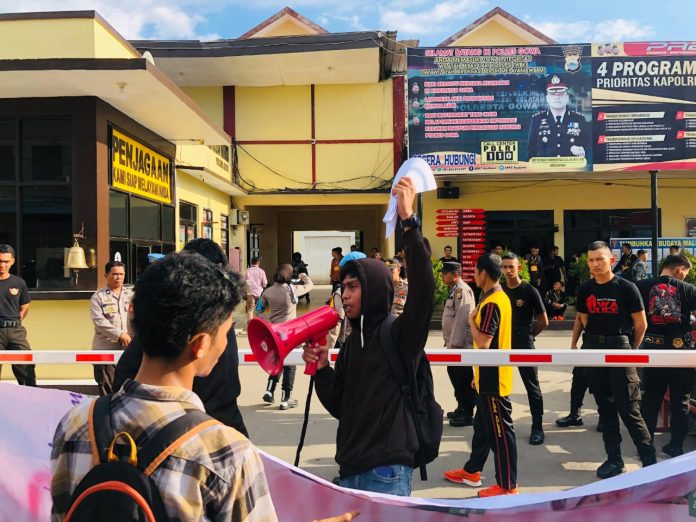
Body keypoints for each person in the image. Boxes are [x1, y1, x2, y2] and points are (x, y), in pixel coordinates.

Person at [51, 252, 278, 520]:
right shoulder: (225, 451)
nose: (227, 343)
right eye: (227, 331)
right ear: (201, 344)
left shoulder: (75, 423)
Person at [302, 176, 434, 496]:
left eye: (352, 287)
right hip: (350, 470)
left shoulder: (400, 334)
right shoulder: (351, 342)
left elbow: (425, 288)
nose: (344, 296)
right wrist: (322, 371)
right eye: (343, 288)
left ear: (373, 289)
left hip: (386, 471)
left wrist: (409, 222)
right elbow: (341, 406)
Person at [113, 239, 248, 436]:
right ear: (201, 343)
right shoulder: (227, 451)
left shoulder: (82, 423)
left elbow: (123, 377)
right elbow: (222, 401)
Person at [576, 241, 655, 479]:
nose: (595, 264)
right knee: (605, 408)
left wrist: (631, 349)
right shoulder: (586, 289)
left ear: (611, 260)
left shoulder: (626, 287)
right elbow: (583, 318)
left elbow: (641, 324)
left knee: (629, 409)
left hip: (620, 346)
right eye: (591, 260)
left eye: (600, 259)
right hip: (593, 347)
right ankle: (614, 459)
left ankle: (650, 463)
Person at [444, 253, 518, 497]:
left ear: (484, 273)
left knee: (500, 433)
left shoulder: (493, 302)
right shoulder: (494, 297)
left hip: (493, 378)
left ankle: (508, 486)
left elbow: (484, 342)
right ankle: (472, 471)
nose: (473, 275)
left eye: (475, 271)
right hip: (485, 375)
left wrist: (470, 321)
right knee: (482, 428)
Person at [638, 253, 696, 458]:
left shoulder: (642, 286)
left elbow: (636, 320)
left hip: (653, 350)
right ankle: (676, 446)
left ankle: (646, 445)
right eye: (685, 273)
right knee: (681, 401)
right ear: (679, 268)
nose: (685, 278)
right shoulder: (689, 290)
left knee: (651, 398)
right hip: (682, 352)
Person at [501, 253, 549, 444]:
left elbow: (543, 321)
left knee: (532, 386)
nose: (507, 271)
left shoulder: (529, 291)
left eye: (511, 267)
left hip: (523, 340)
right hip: (502, 340)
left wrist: (528, 336)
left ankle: (537, 427)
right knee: (499, 385)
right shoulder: (499, 290)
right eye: (504, 267)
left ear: (518, 268)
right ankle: (502, 426)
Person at [259, 264, 313, 410]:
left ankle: (269, 390)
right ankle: (285, 399)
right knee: (290, 365)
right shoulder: (293, 290)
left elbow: (259, 310)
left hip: (274, 333)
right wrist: (302, 275)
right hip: (290, 334)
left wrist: (267, 322)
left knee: (277, 361)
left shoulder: (267, 292)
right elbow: (310, 285)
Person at [440, 261, 477, 428]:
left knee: (463, 378)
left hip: (460, 346)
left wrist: (453, 345)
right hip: (453, 346)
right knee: (455, 376)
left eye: (445, 273)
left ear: (455, 274)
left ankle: (467, 412)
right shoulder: (455, 291)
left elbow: (462, 319)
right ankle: (461, 406)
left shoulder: (462, 291)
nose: (442, 275)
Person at [90, 261, 133, 395]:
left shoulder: (132, 294)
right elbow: (100, 322)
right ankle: (107, 415)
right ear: (106, 275)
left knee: (128, 388)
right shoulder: (98, 297)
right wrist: (120, 334)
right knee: (108, 390)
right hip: (106, 350)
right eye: (114, 274)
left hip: (129, 350)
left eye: (121, 274)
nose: (118, 277)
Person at [527, 74, 590, 160]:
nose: (557, 97)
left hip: (573, 170)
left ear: (567, 97)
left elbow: (588, 148)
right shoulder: (536, 120)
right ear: (547, 98)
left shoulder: (579, 119)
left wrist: (583, 152)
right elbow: (530, 153)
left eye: (561, 93)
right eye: (552, 93)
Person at [0, 244, 36, 386]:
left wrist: (14, 321)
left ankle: (32, 402)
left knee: (26, 367)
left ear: (13, 261)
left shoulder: (19, 283)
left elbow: (24, 306)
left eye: (6, 261)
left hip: (16, 332)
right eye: (0, 261)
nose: (2, 265)